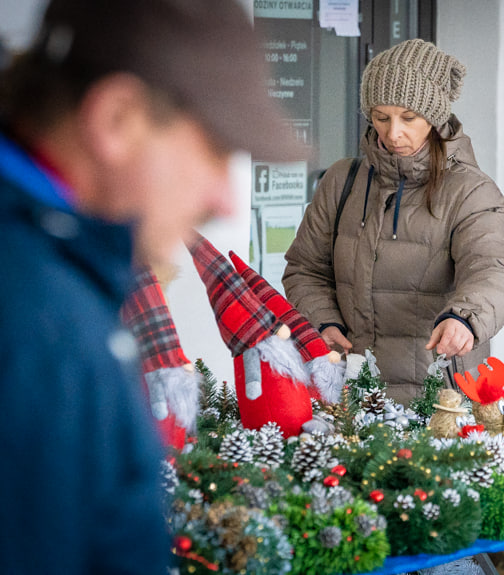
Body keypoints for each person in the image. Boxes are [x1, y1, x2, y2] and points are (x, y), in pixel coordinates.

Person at [0, 0, 294, 572]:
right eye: (214, 150)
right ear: (117, 120)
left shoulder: (59, 268)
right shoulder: (34, 317)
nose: (225, 199)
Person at [283, 38, 504, 406]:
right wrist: (324, 322)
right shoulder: (342, 180)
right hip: (350, 394)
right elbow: (304, 269)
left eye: (408, 118)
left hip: (440, 399)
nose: (393, 133)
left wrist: (465, 318)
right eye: (381, 117)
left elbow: (493, 269)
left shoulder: (471, 191)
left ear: (434, 116)